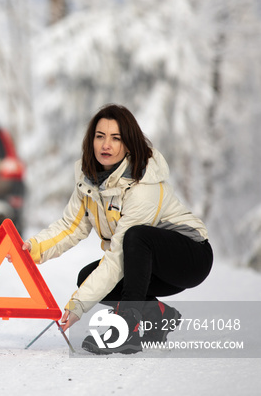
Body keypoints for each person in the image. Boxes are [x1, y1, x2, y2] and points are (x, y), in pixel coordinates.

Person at [22, 104, 213, 354]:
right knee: (87, 277)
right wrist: (34, 248)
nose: (106, 145)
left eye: (115, 138)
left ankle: (126, 328)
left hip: (189, 256)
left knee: (136, 237)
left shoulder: (143, 183)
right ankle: (158, 316)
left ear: (128, 144)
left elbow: (119, 255)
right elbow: (71, 226)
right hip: (145, 259)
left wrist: (78, 305)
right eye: (100, 136)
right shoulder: (90, 181)